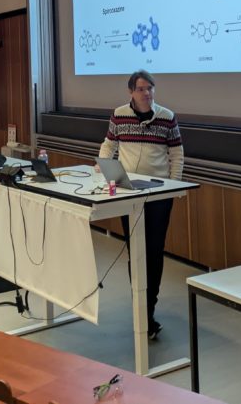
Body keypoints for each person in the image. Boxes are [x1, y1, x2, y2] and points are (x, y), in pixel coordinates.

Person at [99, 70, 183, 340]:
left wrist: (173, 187)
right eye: (141, 89)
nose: (147, 93)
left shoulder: (167, 117)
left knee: (153, 252)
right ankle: (140, 306)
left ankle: (149, 309)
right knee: (135, 250)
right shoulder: (119, 115)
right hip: (129, 194)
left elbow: (177, 154)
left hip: (158, 194)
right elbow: (109, 145)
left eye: (150, 88)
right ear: (131, 92)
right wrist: (105, 169)